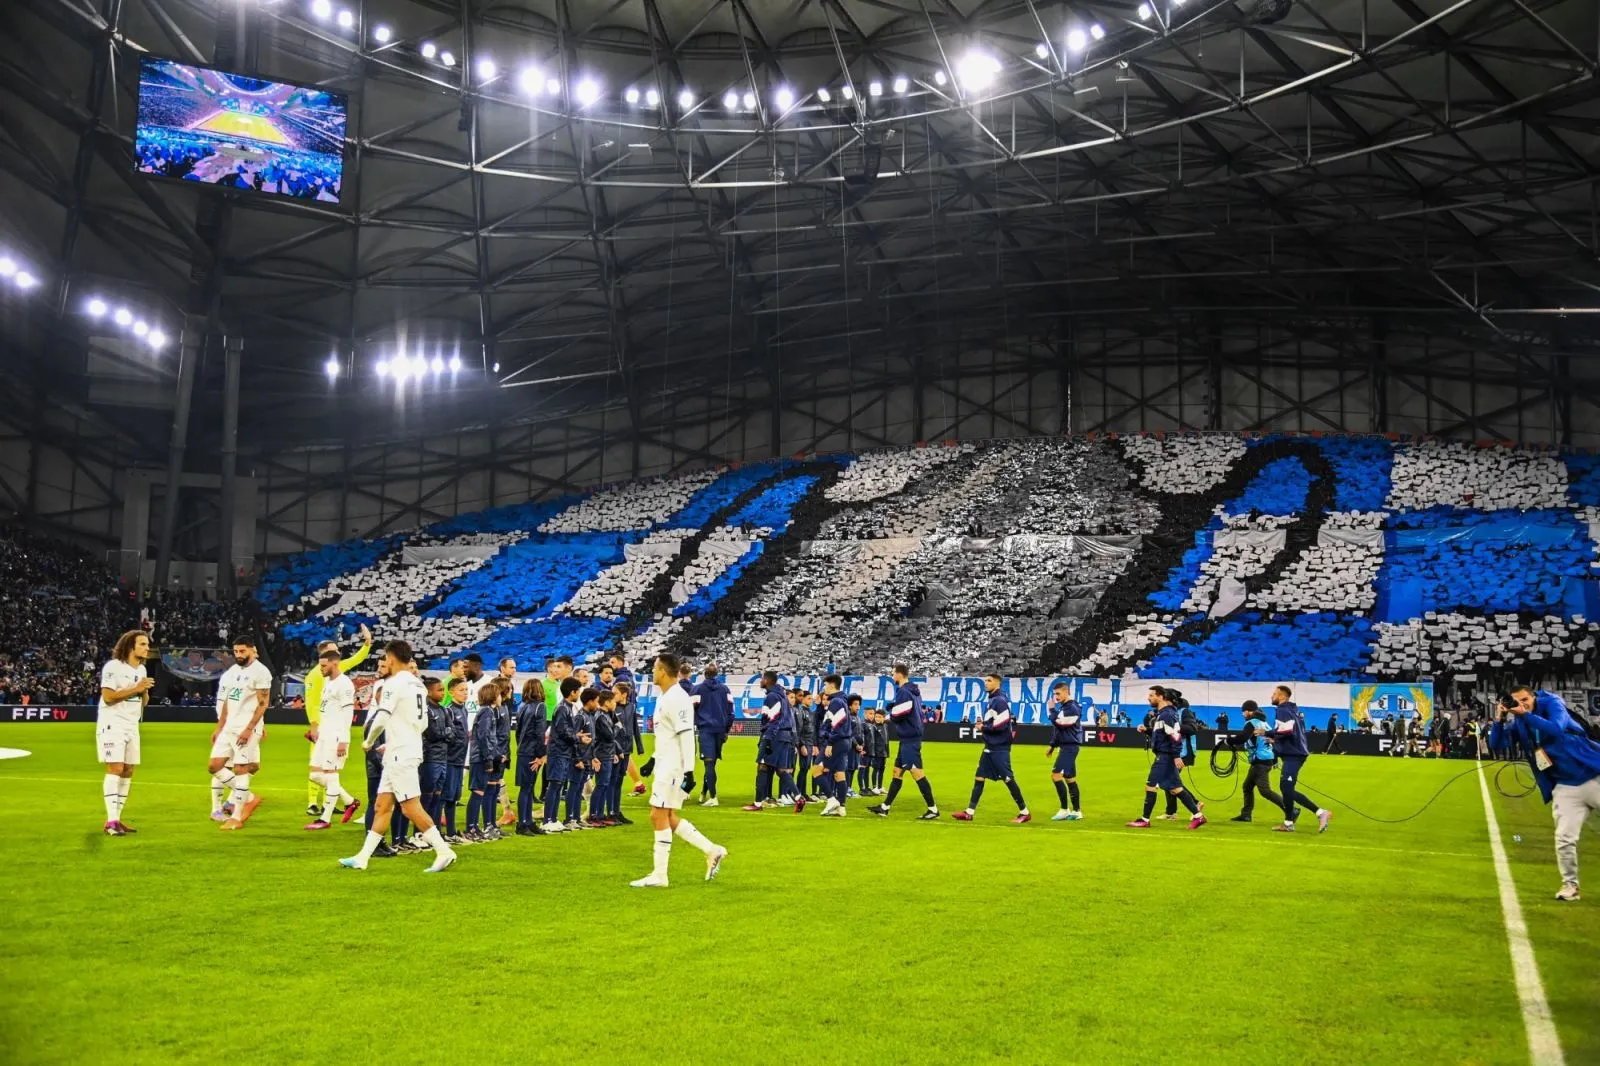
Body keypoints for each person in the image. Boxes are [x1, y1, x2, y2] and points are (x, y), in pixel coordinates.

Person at [339, 640, 457, 873]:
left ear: (391, 658)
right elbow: (422, 722)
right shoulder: (418, 685)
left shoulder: (394, 683)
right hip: (404, 750)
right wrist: (396, 743)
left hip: (400, 754)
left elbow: (382, 716)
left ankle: (444, 851)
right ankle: (362, 857)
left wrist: (369, 741)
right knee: (383, 805)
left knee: (410, 807)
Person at [1491, 687, 1600, 901]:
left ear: (1534, 697)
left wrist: (1526, 715)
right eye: (1516, 702)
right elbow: (1497, 744)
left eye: (1525, 699)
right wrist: (1500, 720)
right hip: (1564, 786)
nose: (1522, 704)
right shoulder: (1520, 723)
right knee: (1564, 839)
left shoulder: (1552, 704)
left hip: (1593, 773)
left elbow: (1557, 729)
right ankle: (1570, 885)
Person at [630, 653, 727, 888]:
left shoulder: (677, 698)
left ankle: (660, 875)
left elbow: (685, 734)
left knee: (657, 815)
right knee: (668, 816)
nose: (653, 672)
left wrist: (689, 771)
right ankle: (712, 850)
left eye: (655, 668)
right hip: (665, 763)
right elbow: (669, 735)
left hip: (673, 768)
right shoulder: (667, 697)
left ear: (663, 671)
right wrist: (653, 759)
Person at [302, 624, 370, 816]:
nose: (338, 653)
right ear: (324, 654)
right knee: (317, 767)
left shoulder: (337, 673)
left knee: (328, 768)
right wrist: (314, 724)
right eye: (334, 651)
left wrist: (367, 644)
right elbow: (310, 702)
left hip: (333, 727)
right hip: (320, 726)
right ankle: (313, 802)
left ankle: (328, 806)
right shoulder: (313, 676)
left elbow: (357, 659)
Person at [97, 629, 154, 836]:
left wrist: (144, 691)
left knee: (128, 770)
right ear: (131, 646)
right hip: (113, 723)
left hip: (132, 725)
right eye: (143, 644)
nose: (147, 648)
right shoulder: (113, 667)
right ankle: (111, 820)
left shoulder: (142, 670)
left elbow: (143, 702)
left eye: (147, 645)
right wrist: (137, 688)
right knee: (115, 768)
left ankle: (117, 819)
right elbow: (108, 697)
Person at [211, 637, 272, 830]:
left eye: (242, 651)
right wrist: (219, 727)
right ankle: (248, 796)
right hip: (229, 726)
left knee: (241, 768)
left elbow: (263, 703)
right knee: (214, 766)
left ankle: (236, 816)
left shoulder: (261, 672)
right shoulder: (232, 671)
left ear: (253, 651)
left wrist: (249, 728)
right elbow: (228, 701)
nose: (238, 655)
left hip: (246, 727)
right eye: (236, 651)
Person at [952, 675, 1030, 824]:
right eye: (985, 681)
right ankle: (969, 812)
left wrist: (984, 727)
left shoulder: (998, 700)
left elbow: (1003, 721)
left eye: (989, 681)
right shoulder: (994, 700)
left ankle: (1024, 811)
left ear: (997, 683)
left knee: (1008, 778)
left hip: (999, 746)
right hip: (990, 746)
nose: (986, 683)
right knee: (979, 777)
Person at [1126, 687, 1204, 830]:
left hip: (1165, 756)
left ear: (1161, 697)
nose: (1148, 698)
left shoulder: (1167, 715)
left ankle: (1145, 819)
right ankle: (1198, 816)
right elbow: (1164, 734)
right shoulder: (1163, 714)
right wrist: (1147, 731)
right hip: (1166, 755)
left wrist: (1175, 756)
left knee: (1151, 785)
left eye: (1151, 695)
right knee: (1175, 789)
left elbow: (1175, 735)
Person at [870, 665, 939, 819]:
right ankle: (885, 807)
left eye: (893, 673)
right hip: (908, 738)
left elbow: (902, 712)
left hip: (910, 738)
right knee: (897, 772)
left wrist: (891, 713)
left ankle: (933, 809)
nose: (892, 675)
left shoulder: (904, 691)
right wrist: (894, 707)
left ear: (899, 675)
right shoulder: (912, 691)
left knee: (917, 773)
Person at [304, 647, 361, 830]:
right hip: (324, 735)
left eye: (323, 665)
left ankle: (325, 818)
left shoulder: (344, 684)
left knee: (331, 775)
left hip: (336, 736)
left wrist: (343, 739)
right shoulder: (328, 682)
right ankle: (350, 801)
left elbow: (347, 713)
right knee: (315, 775)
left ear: (334, 663)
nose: (321, 668)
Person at [1264, 685, 1330, 833]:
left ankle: (1320, 813)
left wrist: (1267, 732)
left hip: (1294, 754)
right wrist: (1275, 740)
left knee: (1287, 788)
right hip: (1294, 753)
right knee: (1285, 788)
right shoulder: (1292, 711)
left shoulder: (1282, 710)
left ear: (1282, 696)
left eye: (1274, 694)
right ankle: (1288, 823)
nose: (1271, 696)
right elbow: (1291, 733)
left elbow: (1286, 730)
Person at [745, 670, 803, 811]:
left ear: (767, 680)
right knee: (781, 770)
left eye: (762, 678)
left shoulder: (772, 697)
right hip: (784, 737)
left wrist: (768, 738)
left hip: (774, 736)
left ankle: (758, 803)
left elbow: (773, 720)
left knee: (763, 766)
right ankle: (798, 797)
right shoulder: (782, 696)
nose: (760, 681)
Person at [1230, 701, 1283, 823]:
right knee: (1247, 786)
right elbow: (1272, 742)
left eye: (1244, 711)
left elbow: (1243, 737)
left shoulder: (1251, 723)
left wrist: (1229, 741)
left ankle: (1290, 810)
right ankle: (1246, 814)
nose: (1243, 714)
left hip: (1260, 761)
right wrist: (1274, 759)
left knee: (1265, 791)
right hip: (1265, 759)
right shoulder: (1265, 724)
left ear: (1249, 711)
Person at [542, 677, 582, 833]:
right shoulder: (562, 709)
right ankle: (547, 820)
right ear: (572, 692)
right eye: (577, 690)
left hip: (563, 752)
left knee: (558, 786)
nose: (578, 693)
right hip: (558, 752)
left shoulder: (566, 708)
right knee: (554, 785)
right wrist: (577, 737)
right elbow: (562, 731)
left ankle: (553, 818)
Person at [420, 676, 456, 837]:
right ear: (428, 692)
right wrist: (445, 734)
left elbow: (452, 732)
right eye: (440, 690)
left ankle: (434, 832)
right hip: (430, 758)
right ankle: (420, 832)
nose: (443, 693)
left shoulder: (443, 710)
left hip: (443, 758)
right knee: (426, 797)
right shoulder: (426, 710)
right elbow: (432, 734)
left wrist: (445, 734)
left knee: (437, 797)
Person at [694, 664, 733, 806]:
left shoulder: (698, 689)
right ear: (717, 674)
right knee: (711, 764)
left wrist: (697, 722)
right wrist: (726, 730)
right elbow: (731, 712)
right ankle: (704, 793)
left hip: (706, 730)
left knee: (708, 763)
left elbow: (690, 709)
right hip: (720, 730)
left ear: (704, 674)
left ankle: (713, 797)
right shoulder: (725, 689)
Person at [1045, 683, 1084, 821]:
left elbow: (1060, 724)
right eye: (1055, 694)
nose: (1056, 697)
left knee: (1055, 775)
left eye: (1058, 694)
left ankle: (1064, 809)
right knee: (1069, 778)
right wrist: (1052, 745)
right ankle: (1077, 811)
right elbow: (1059, 729)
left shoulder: (1072, 708)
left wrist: (1051, 710)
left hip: (1070, 747)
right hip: (1066, 745)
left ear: (1066, 692)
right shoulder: (1065, 707)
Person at [514, 679, 548, 835]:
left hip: (523, 750)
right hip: (533, 752)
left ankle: (528, 821)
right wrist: (541, 754)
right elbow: (540, 732)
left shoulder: (522, 706)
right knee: (527, 788)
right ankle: (523, 823)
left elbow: (518, 731)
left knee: (526, 788)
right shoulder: (540, 706)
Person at [818, 675, 854, 817]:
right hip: (844, 742)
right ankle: (842, 807)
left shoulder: (836, 702)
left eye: (825, 684)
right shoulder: (842, 700)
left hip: (836, 742)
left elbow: (837, 724)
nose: (824, 687)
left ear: (832, 685)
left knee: (816, 770)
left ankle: (831, 799)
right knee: (839, 774)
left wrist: (830, 743)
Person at [441, 676, 470, 842]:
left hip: (460, 759)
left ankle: (451, 832)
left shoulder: (463, 709)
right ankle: (439, 833)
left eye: (466, 690)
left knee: (454, 797)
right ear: (451, 692)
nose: (465, 693)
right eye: (461, 690)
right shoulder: (449, 710)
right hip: (450, 759)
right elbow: (448, 735)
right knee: (445, 797)